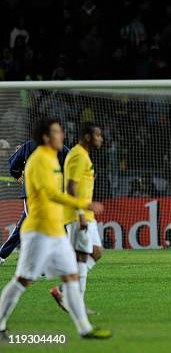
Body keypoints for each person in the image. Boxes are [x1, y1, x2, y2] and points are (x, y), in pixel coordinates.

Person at [0, 117, 111, 340]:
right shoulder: (39, 160)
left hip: (55, 230)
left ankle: (84, 329)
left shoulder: (52, 158)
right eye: (57, 132)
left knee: (71, 276)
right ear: (45, 137)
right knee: (23, 280)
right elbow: (50, 194)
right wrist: (82, 205)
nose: (62, 136)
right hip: (39, 230)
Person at [50, 122, 104, 316]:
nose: (101, 139)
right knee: (81, 258)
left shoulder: (83, 155)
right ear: (88, 137)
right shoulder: (78, 155)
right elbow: (71, 187)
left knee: (96, 252)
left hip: (86, 214)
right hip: (77, 214)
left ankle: (65, 291)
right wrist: (80, 213)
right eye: (98, 136)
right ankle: (76, 303)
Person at [0, 139, 70, 265]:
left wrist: (17, 175)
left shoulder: (29, 146)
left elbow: (13, 165)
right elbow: (71, 164)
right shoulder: (59, 147)